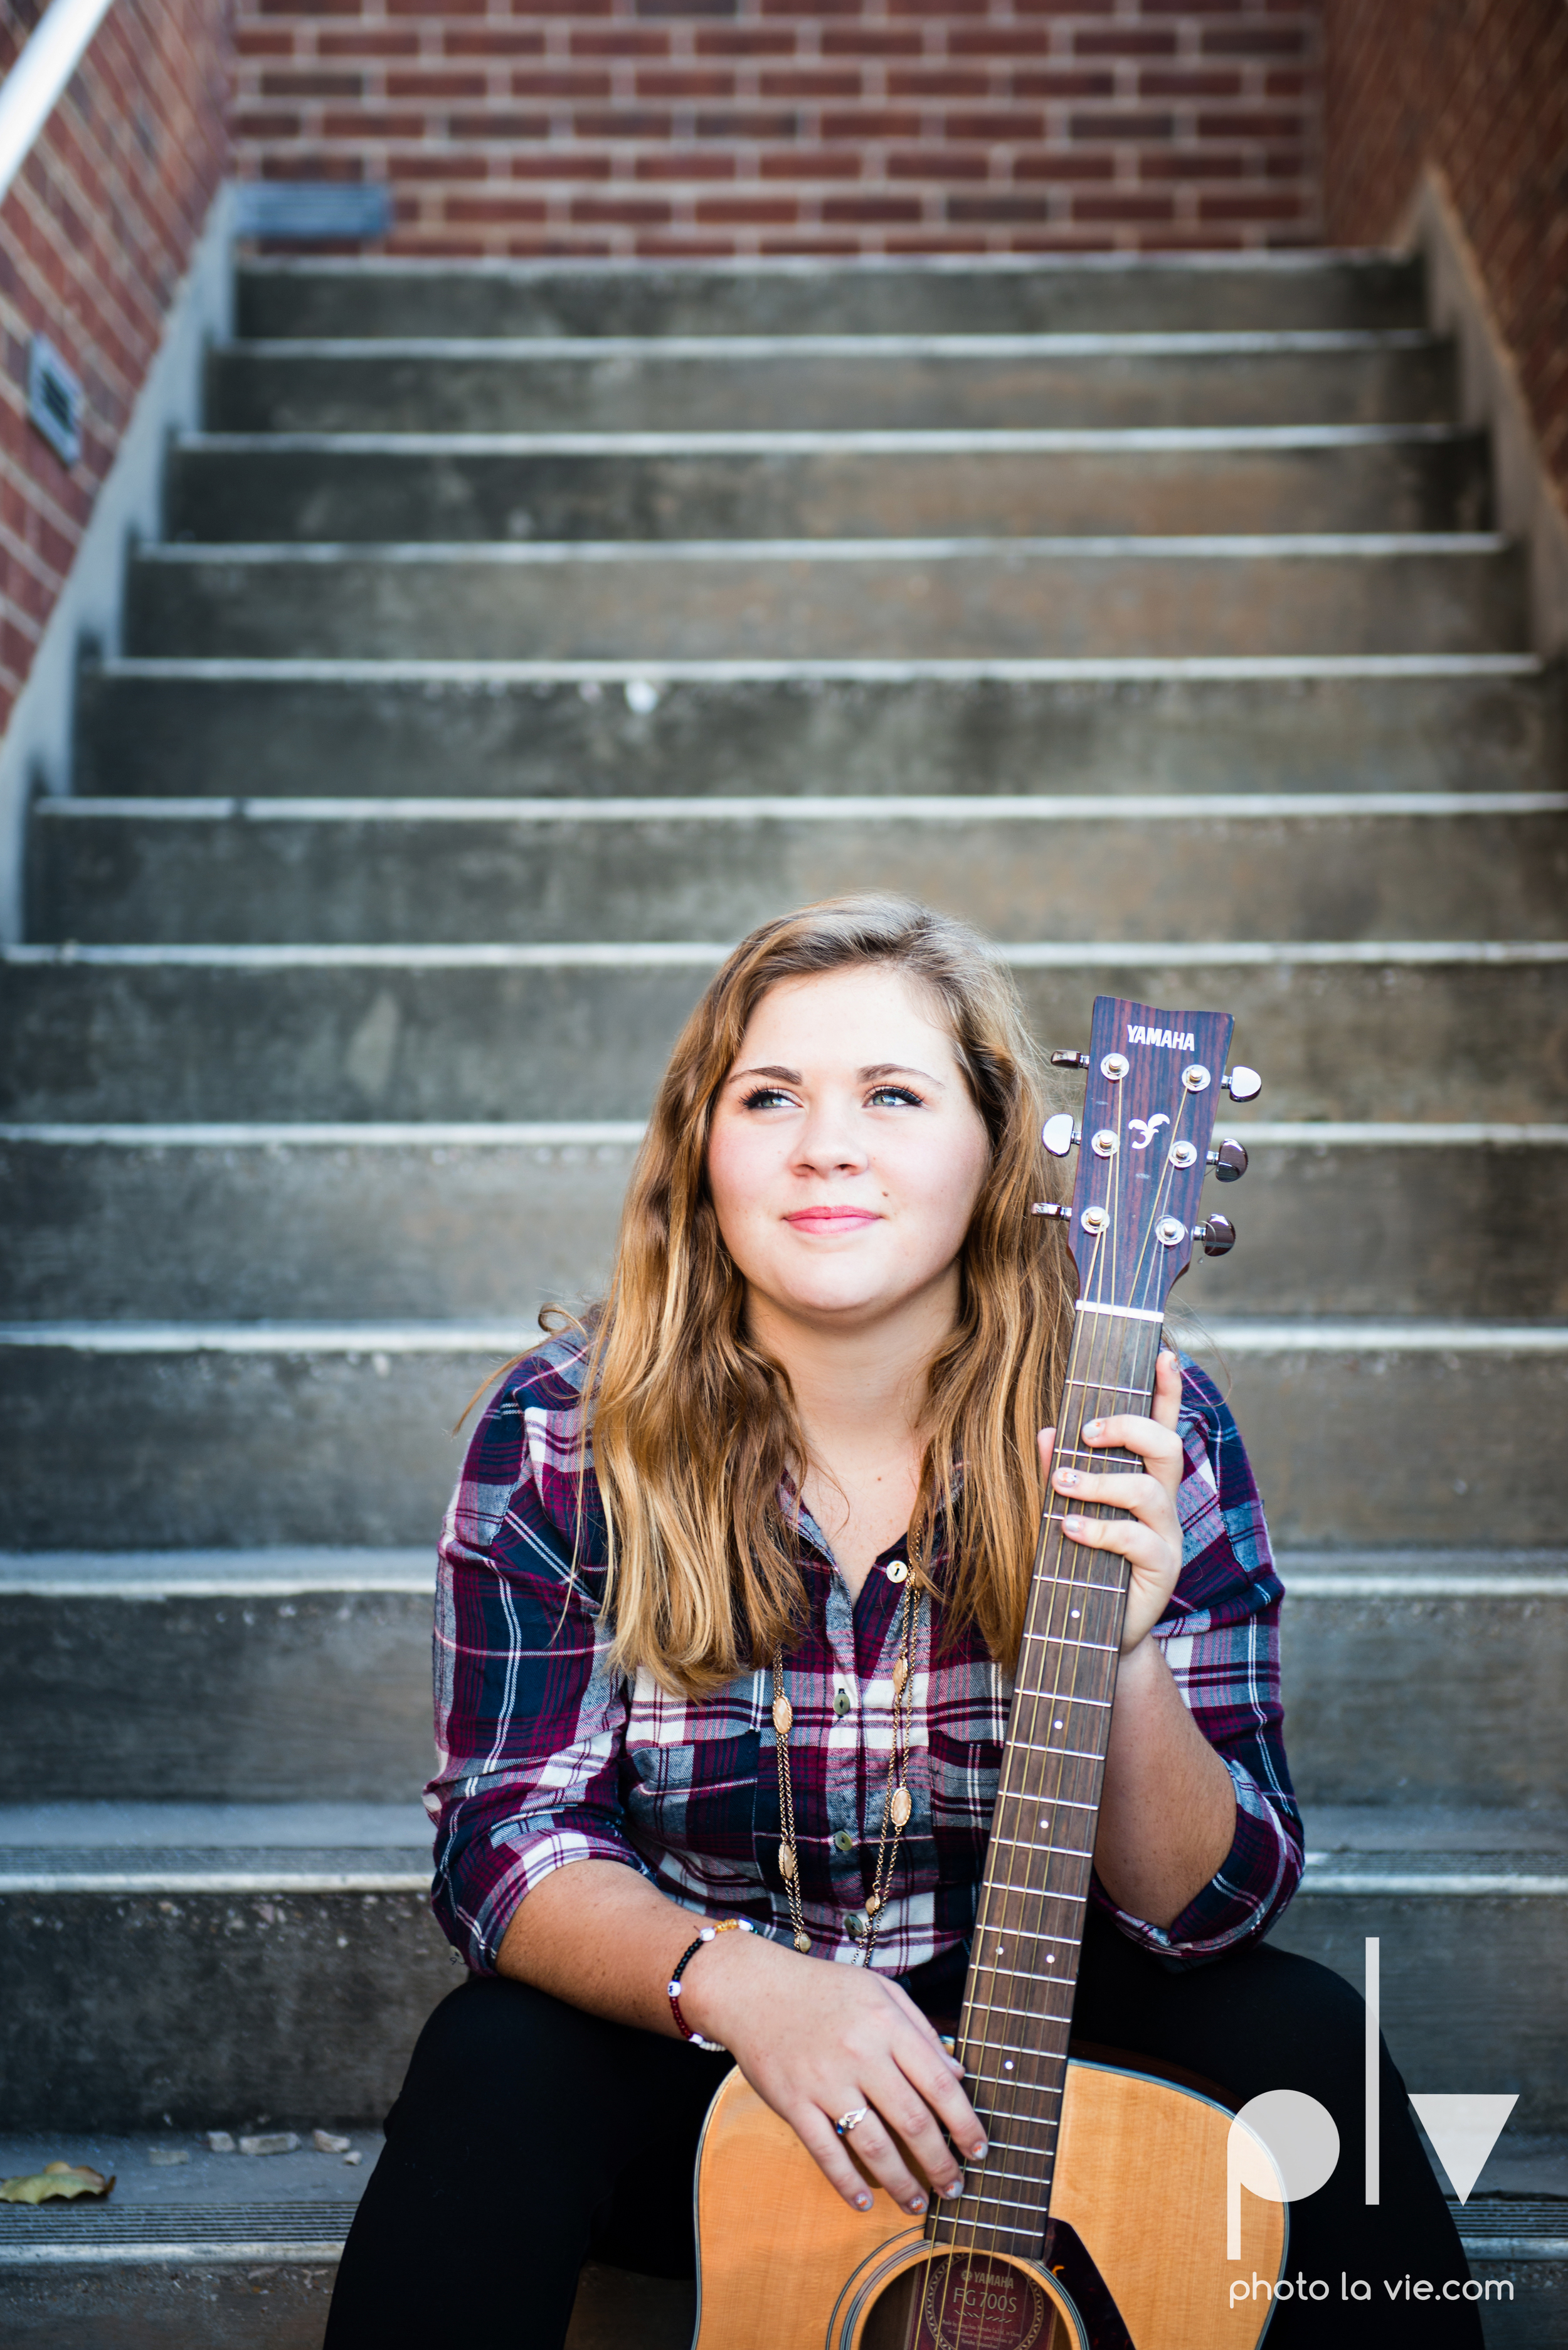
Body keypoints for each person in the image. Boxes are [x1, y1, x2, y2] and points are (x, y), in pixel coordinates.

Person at [326, 895, 1478, 2347]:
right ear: (702, 1145)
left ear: (997, 1149)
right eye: (769, 1096)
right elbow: (503, 1842)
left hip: (1040, 2019)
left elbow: (1214, 1906)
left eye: (891, 1093)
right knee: (490, 2058)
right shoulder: (566, 1431)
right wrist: (746, 1989)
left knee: (1306, 2045)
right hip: (714, 2049)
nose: (826, 1143)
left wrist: (1118, 1649)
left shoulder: (1127, 1425)